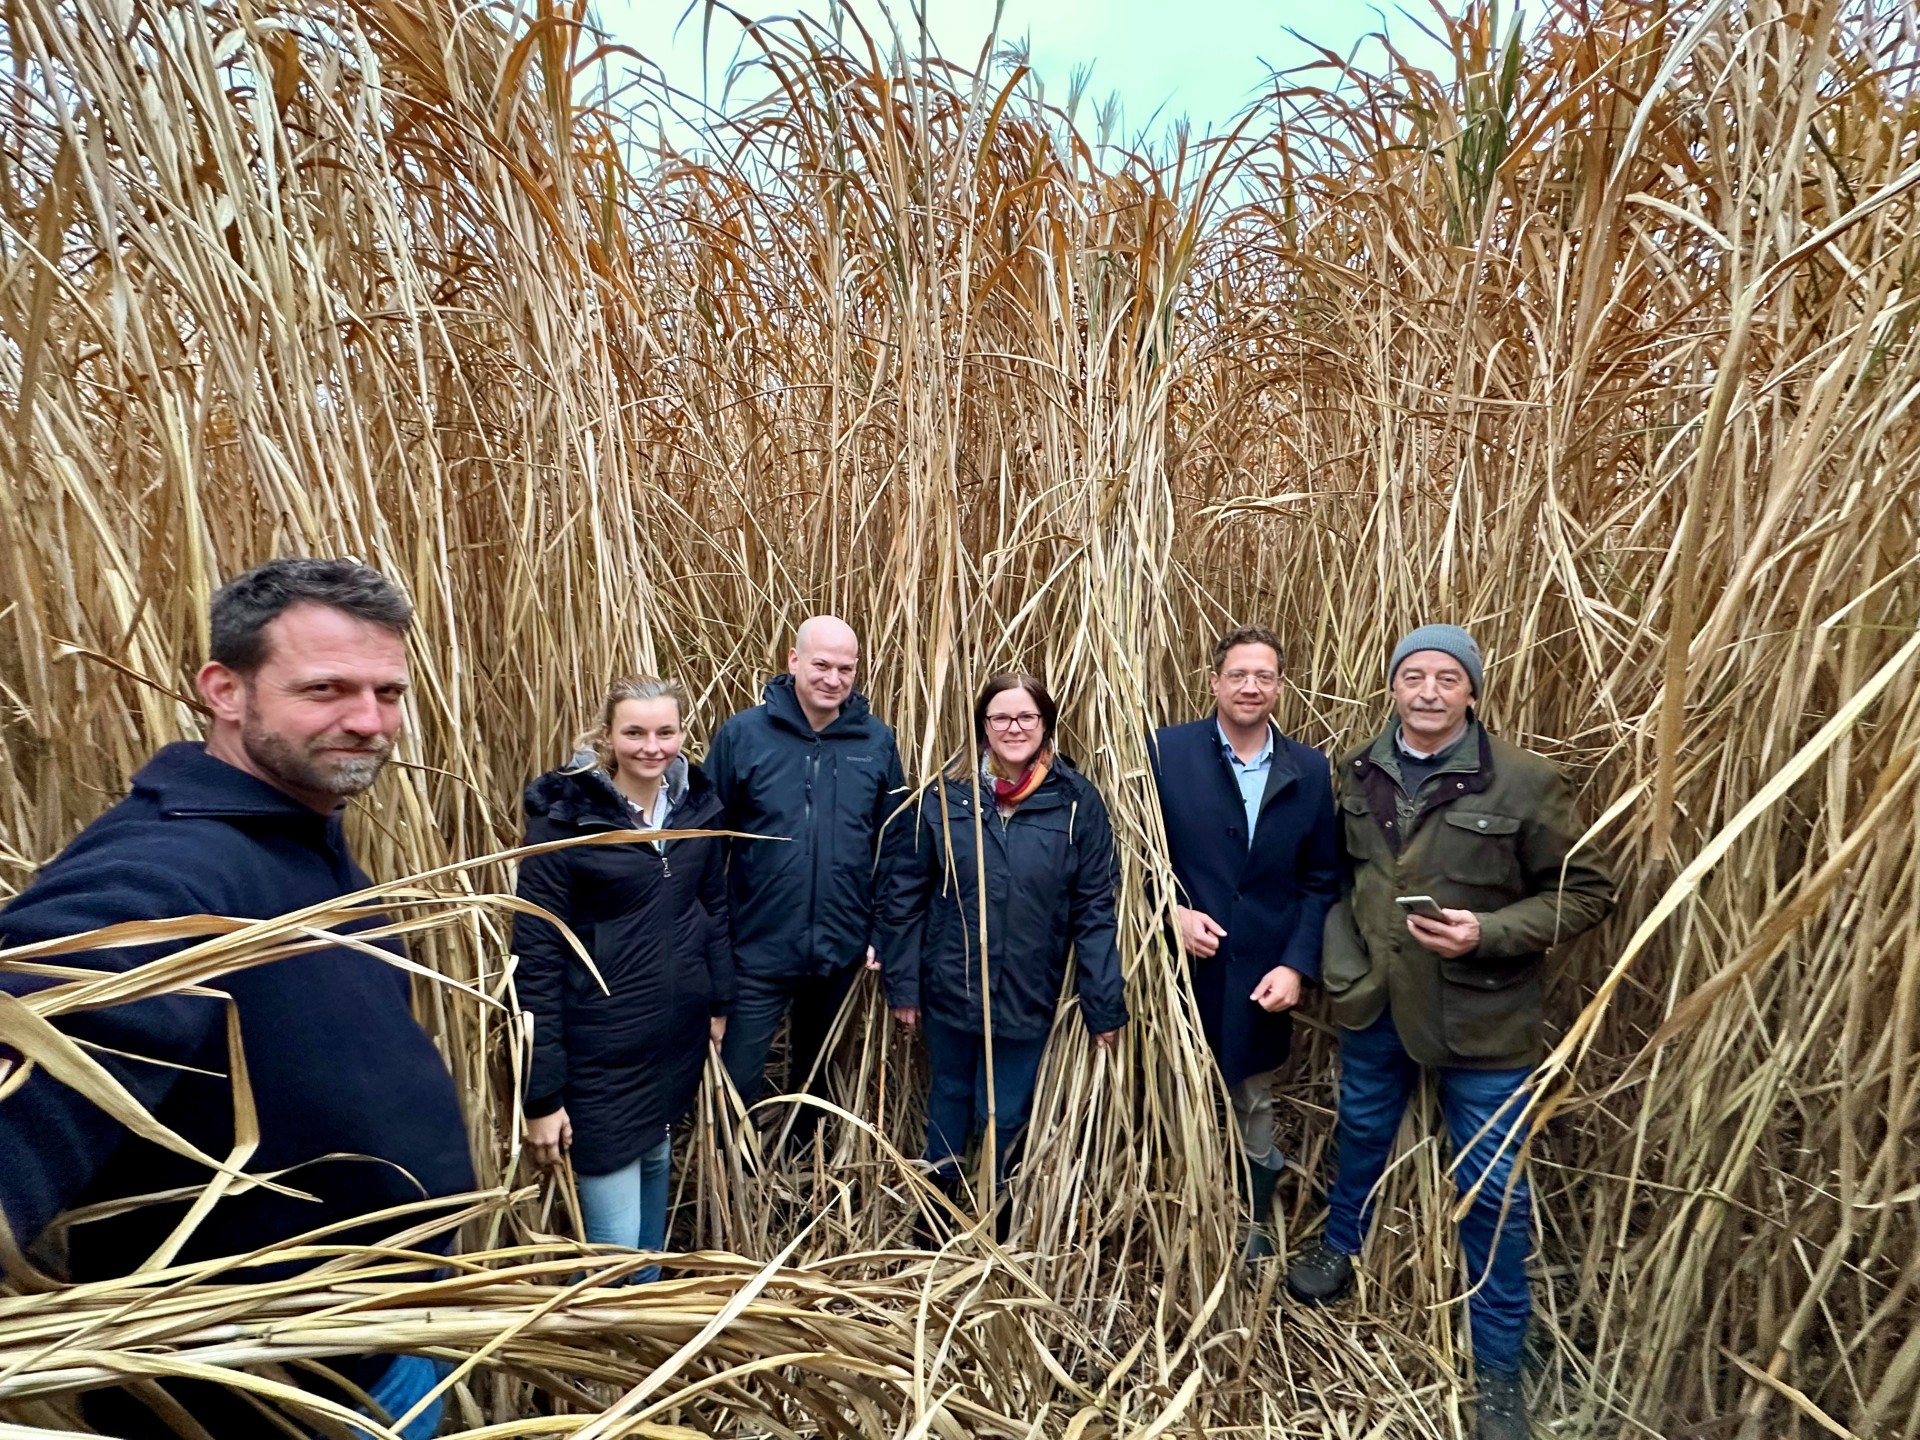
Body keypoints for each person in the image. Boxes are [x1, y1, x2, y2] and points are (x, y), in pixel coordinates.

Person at [0, 558, 475, 1439]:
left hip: (384, 1355)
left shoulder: (303, 844)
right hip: (262, 1403)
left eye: (388, 692)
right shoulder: (167, 876)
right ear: (224, 690)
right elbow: (34, 1057)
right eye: (325, 689)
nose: (368, 721)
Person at [1285, 624, 1614, 1440]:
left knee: (1494, 1189)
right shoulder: (1357, 771)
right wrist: (1343, 959)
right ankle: (1341, 1245)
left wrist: (1487, 933)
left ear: (1472, 691)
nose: (1428, 691)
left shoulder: (1526, 781)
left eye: (1446, 678)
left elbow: (1585, 893)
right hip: (1375, 1002)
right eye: (1413, 676)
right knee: (1361, 1128)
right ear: (1393, 687)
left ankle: (1498, 1369)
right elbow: (1341, 877)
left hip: (1481, 1017)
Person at [880, 674, 1128, 1219]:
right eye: (1000, 718)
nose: (1014, 728)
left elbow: (1093, 908)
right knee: (949, 1093)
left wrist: (1103, 1004)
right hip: (951, 984)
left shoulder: (1075, 802)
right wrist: (904, 986)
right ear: (983, 727)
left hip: (1027, 989)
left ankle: (994, 1211)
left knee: (1005, 1109)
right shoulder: (947, 797)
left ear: (1045, 725)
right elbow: (905, 896)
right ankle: (938, 1208)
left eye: (1026, 717)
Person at [513, 677, 731, 1281]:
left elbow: (712, 909)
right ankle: (617, 1333)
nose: (651, 747)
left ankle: (647, 1308)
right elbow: (536, 955)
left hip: (672, 1044)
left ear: (682, 734)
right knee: (615, 1255)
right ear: (607, 736)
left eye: (665, 732)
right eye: (634, 732)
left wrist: (718, 1001)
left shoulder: (697, 808)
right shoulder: (565, 822)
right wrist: (541, 1096)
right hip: (600, 1057)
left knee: (656, 1174)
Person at [1149, 625, 1339, 1261]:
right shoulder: (1165, 752)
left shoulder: (1309, 769)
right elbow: (1130, 854)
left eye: (1264, 676)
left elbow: (1320, 880)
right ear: (1214, 682)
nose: (1250, 687)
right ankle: (1174, 1218)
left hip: (1262, 977)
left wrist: (1296, 966)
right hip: (1179, 973)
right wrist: (1169, 913)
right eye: (1238, 674)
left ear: (1280, 687)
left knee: (1252, 1101)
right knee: (1172, 1094)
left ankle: (1251, 1221)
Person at [707, 616, 907, 1136]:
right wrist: (714, 936)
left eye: (846, 668)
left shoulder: (876, 742)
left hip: (840, 948)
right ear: (793, 661)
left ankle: (802, 1160)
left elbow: (896, 845)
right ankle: (736, 1171)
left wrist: (881, 929)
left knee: (816, 1081)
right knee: (737, 1082)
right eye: (821, 664)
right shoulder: (743, 736)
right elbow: (705, 844)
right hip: (757, 948)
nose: (833, 679)